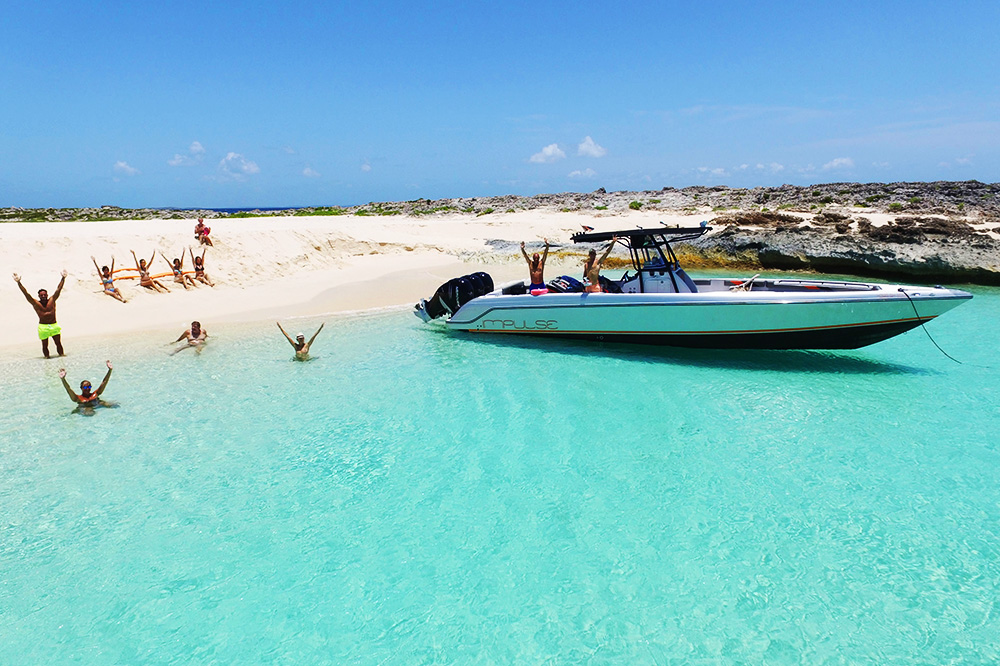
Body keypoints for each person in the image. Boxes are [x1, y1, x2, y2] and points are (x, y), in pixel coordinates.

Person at [13, 270, 67, 358]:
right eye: (41, 295)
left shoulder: (52, 300)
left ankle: (62, 357)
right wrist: (19, 282)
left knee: (58, 343)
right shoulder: (35, 303)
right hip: (43, 327)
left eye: (44, 295)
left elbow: (58, 289)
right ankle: (47, 359)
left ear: (47, 294)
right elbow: (26, 294)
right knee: (45, 345)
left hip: (54, 325)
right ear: (39, 296)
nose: (43, 296)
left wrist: (63, 278)